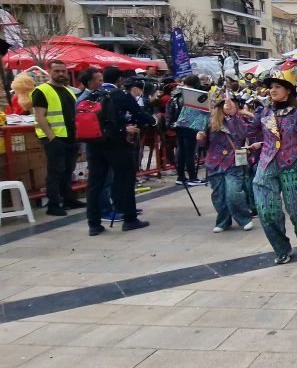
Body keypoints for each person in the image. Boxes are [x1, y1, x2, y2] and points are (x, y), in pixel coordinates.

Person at [249, 68, 297, 264]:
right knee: (266, 210)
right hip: (266, 164)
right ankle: (281, 249)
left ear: (288, 90)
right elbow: (247, 130)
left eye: (277, 86)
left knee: (294, 209)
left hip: (291, 164)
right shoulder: (263, 111)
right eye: (271, 87)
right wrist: (229, 114)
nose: (272, 90)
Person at [85, 66, 156, 236]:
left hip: (93, 143)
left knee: (95, 183)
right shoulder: (120, 95)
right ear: (120, 80)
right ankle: (129, 218)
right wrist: (153, 120)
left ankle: (93, 224)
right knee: (124, 179)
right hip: (116, 144)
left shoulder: (92, 95)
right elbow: (140, 115)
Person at [32, 60, 83, 216]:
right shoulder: (41, 90)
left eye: (63, 71)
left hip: (70, 136)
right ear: (49, 72)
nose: (61, 74)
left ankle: (68, 199)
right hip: (54, 137)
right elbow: (40, 117)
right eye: (57, 71)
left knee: (68, 170)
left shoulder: (68, 91)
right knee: (55, 171)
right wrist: (52, 138)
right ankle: (53, 204)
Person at [197, 94, 255, 233]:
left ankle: (244, 219)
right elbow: (203, 144)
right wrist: (200, 138)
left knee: (233, 192)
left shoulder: (240, 121)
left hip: (234, 162)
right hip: (214, 163)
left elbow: (244, 134)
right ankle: (223, 221)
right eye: (225, 103)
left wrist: (237, 115)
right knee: (219, 195)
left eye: (231, 103)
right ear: (219, 106)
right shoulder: (209, 121)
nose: (228, 106)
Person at [171, 74, 204, 186]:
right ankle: (192, 177)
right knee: (190, 152)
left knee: (181, 151)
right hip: (190, 124)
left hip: (177, 124)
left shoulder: (176, 92)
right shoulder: (191, 94)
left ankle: (181, 176)